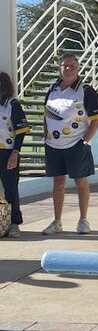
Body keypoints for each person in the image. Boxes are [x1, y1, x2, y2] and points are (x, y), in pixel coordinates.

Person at [41, 53, 98, 235]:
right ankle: (57, 221)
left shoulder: (87, 91)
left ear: (78, 69)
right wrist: (46, 135)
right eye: (64, 65)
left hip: (76, 144)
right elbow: (47, 115)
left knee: (80, 182)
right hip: (54, 145)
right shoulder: (52, 89)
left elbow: (96, 120)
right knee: (58, 183)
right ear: (59, 69)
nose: (68, 69)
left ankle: (83, 220)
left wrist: (85, 141)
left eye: (72, 66)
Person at [0, 71, 30, 238]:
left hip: (7, 152)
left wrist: (15, 153)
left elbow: (22, 131)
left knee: (11, 189)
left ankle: (14, 223)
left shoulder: (13, 104)